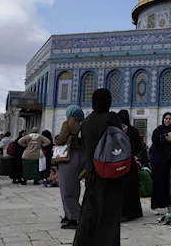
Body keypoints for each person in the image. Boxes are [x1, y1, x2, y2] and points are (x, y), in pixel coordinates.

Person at [73, 88, 126, 246]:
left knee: (90, 209)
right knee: (109, 212)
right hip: (109, 173)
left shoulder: (86, 122)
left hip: (91, 172)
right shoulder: (111, 118)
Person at [55, 105, 85, 230]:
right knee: (74, 187)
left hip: (68, 157)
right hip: (81, 156)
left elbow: (61, 140)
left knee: (66, 189)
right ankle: (69, 214)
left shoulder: (67, 124)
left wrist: (56, 139)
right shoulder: (83, 125)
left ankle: (74, 218)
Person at [150, 112, 171, 214]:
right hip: (159, 163)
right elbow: (155, 140)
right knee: (158, 184)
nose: (168, 120)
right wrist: (166, 136)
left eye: (169, 119)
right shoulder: (158, 131)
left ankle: (170, 205)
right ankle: (155, 206)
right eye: (166, 118)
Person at [117, 109, 143, 221]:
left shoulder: (118, 131)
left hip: (120, 162)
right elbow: (139, 147)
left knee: (123, 188)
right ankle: (134, 212)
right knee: (132, 188)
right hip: (131, 162)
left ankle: (123, 212)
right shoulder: (134, 130)